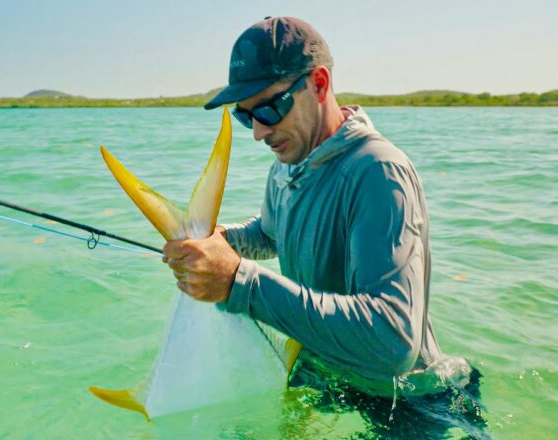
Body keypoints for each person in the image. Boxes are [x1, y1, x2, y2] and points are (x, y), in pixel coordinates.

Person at [163, 16, 445, 399]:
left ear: (320, 84)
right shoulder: (287, 166)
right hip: (328, 379)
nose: (260, 133)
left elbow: (392, 343)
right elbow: (269, 233)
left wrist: (237, 282)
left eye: (270, 109)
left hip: (409, 404)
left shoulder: (378, 171)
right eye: (245, 116)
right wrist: (219, 242)